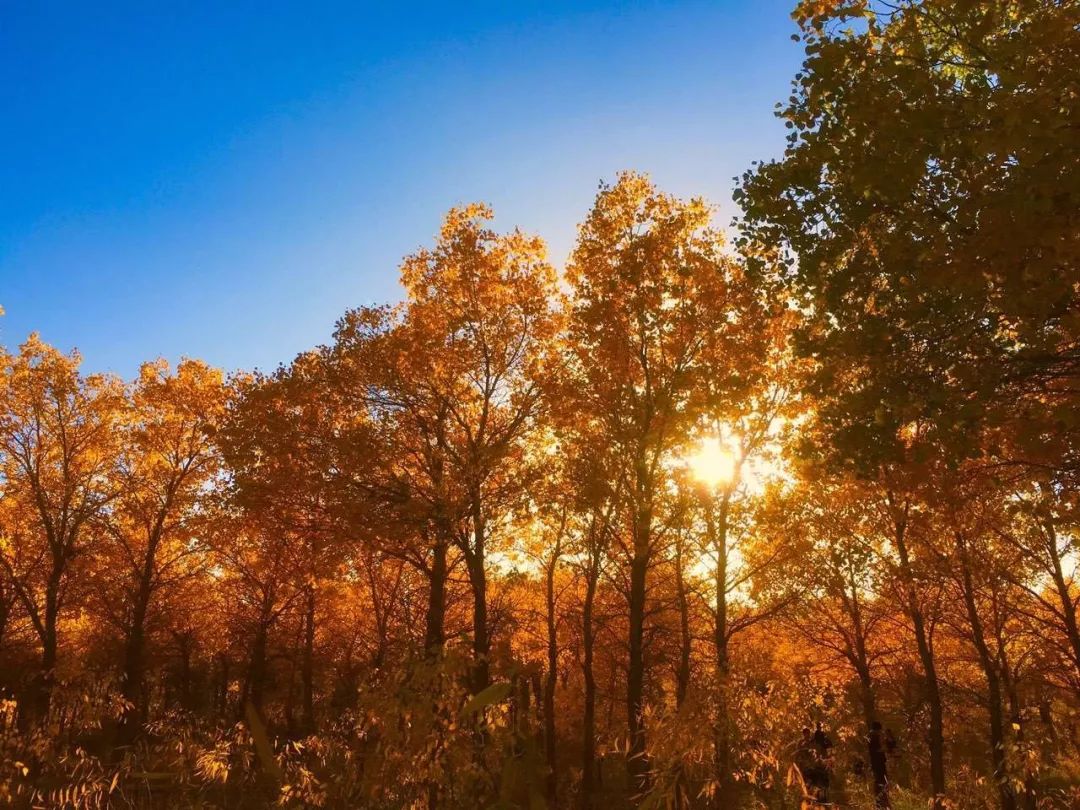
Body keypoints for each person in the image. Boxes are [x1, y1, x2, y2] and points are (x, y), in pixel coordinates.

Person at [868, 721, 890, 809]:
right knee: (881, 783)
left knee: (880, 783)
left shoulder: (872, 737)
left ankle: (881, 803)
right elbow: (877, 750)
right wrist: (886, 749)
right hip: (879, 765)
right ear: (877, 730)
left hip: (877, 764)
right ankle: (881, 804)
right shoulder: (874, 737)